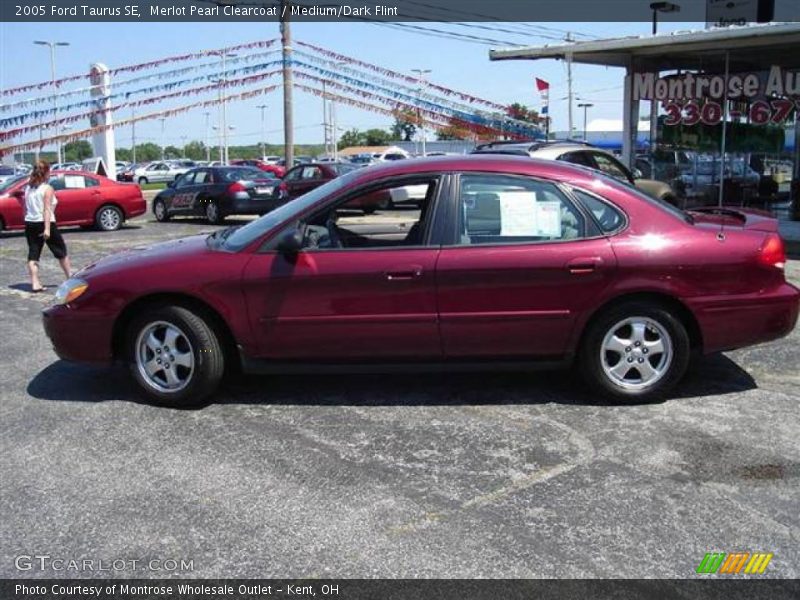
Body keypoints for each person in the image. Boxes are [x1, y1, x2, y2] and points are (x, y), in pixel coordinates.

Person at [24, 160, 71, 292]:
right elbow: (47, 210)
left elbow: (25, 207)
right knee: (61, 251)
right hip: (44, 222)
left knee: (33, 253)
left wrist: (27, 218)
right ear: (46, 173)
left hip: (30, 223)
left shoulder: (28, 187)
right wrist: (47, 229)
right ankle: (70, 278)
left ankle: (35, 283)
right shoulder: (47, 189)